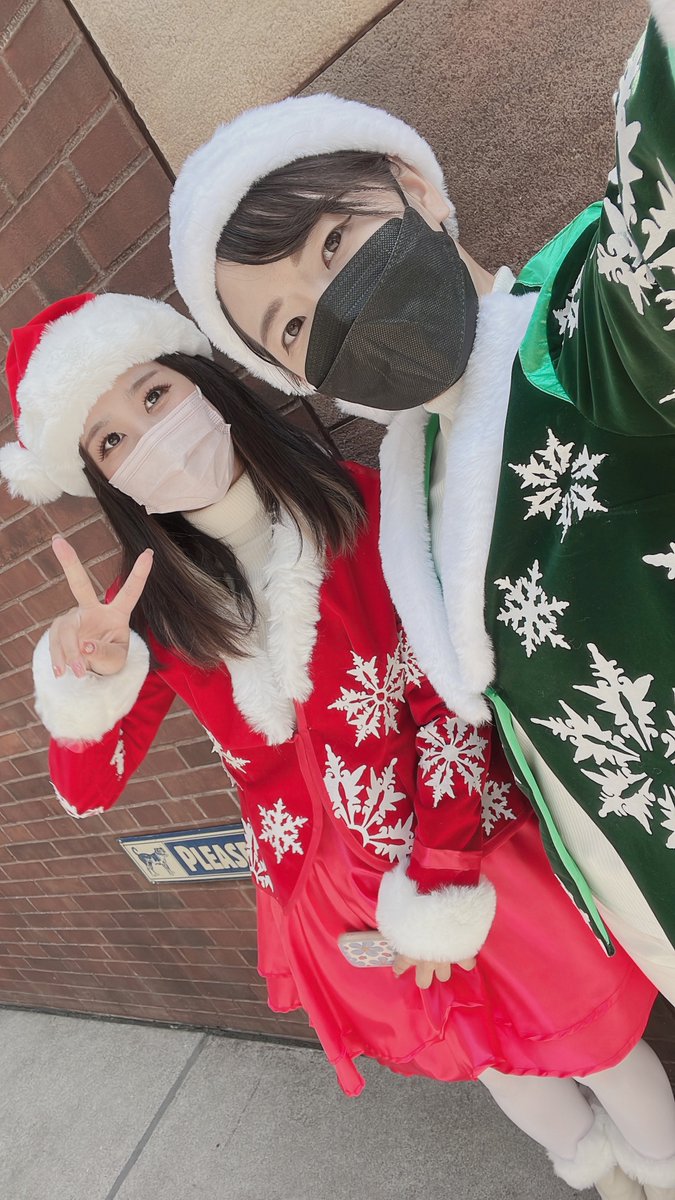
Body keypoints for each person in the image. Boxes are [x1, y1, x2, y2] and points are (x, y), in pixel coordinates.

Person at [0, 295, 672, 1200]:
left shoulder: (361, 503)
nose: (147, 436)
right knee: (489, 1062)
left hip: (471, 854)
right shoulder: (151, 611)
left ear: (202, 384)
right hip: (332, 899)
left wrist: (438, 881)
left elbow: (446, 699)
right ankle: (591, 1171)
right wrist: (85, 680)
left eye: (153, 394)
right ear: (104, 480)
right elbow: (88, 790)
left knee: (594, 1043)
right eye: (110, 440)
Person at [168, 3, 675, 1044]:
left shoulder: (571, 331)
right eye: (293, 326)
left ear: (415, 188)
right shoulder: (414, 491)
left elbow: (649, 265)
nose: (333, 303)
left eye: (335, 242)